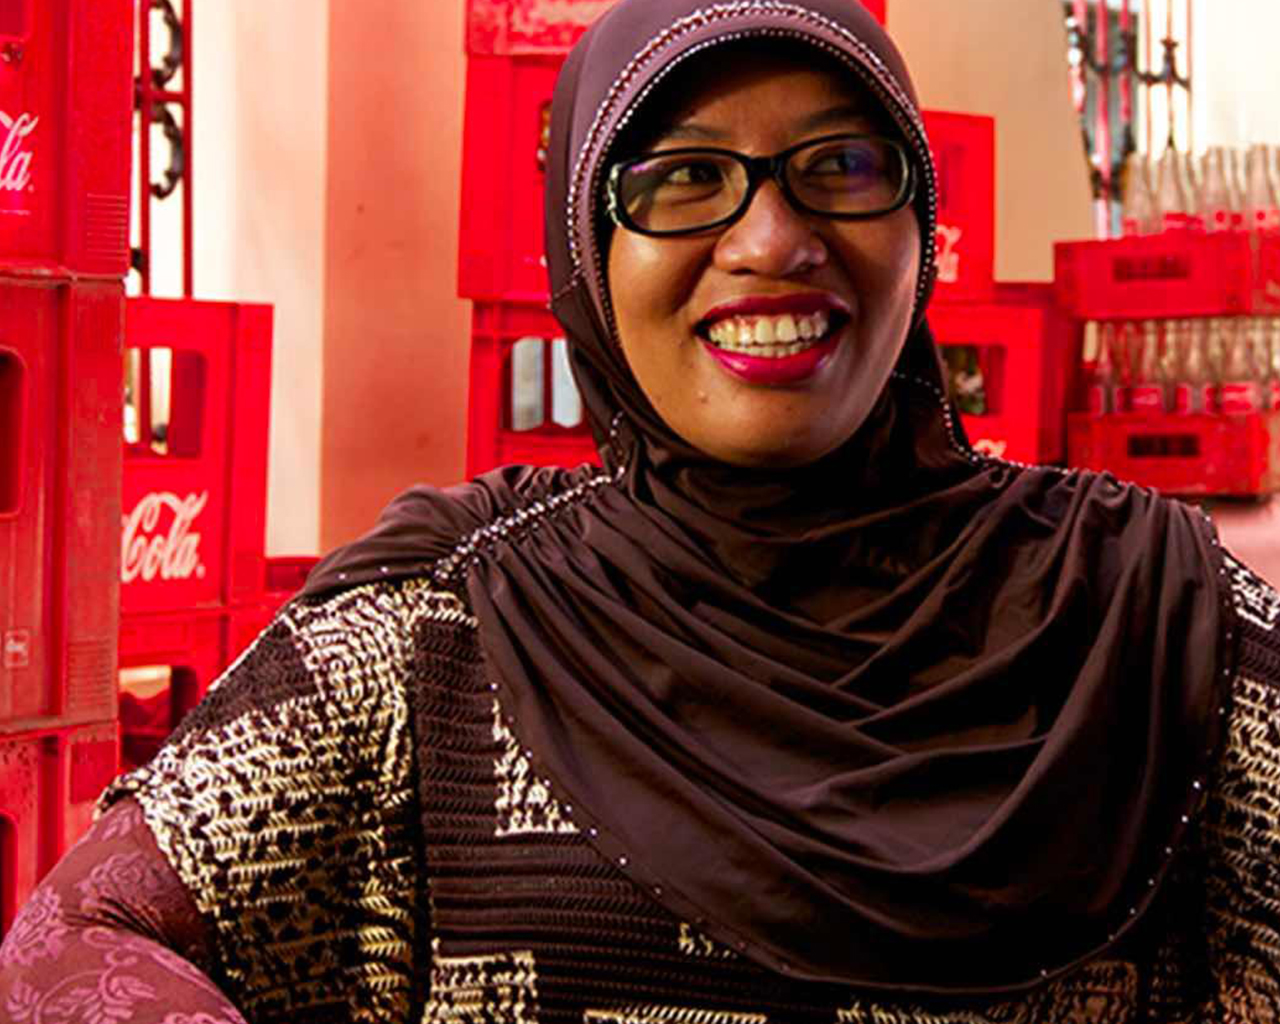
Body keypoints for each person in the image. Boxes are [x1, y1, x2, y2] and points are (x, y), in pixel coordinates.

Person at [3, 1, 1279, 1020]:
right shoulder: (444, 631)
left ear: (918, 227)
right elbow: (72, 938)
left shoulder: (1151, 610)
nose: (773, 241)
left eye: (839, 166)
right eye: (682, 180)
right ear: (583, 252)